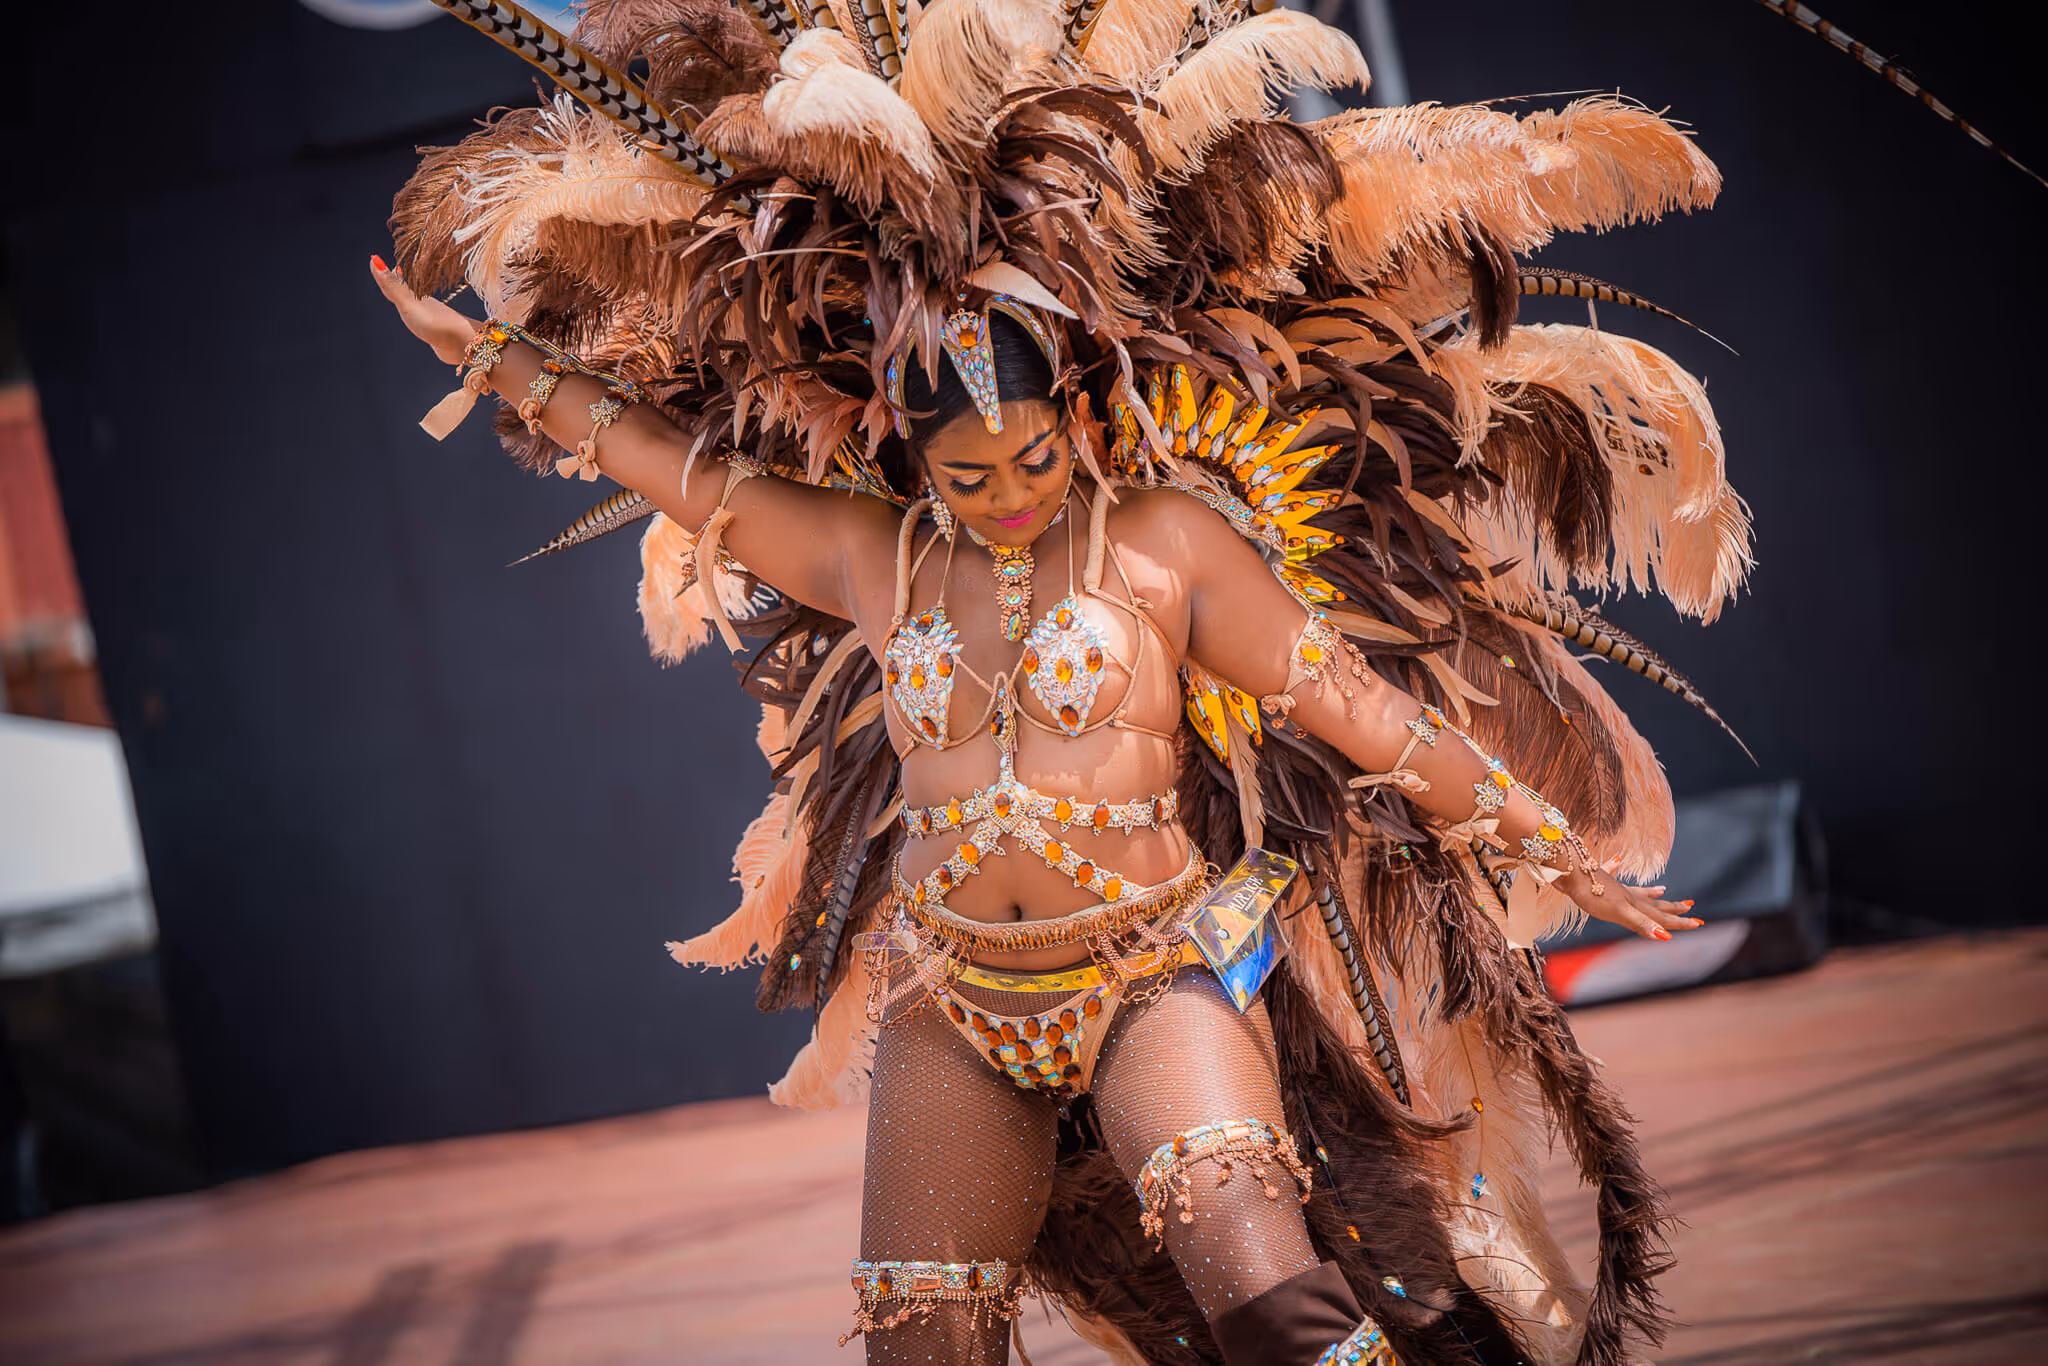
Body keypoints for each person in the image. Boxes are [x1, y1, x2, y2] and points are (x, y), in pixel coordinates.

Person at [370, 2, 1750, 1361]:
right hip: (954, 1000)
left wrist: (1554, 846)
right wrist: (490, 358)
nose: (1010, 490)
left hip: (1145, 974)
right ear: (915, 457)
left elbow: (1363, 713)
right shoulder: (870, 556)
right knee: (920, 1335)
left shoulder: (1166, 547)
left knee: (1271, 1294)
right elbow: (675, 469)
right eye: (969, 472)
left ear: (1072, 419)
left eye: (1033, 456)